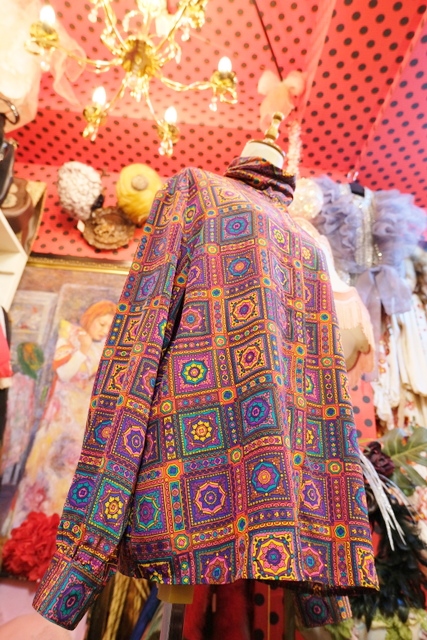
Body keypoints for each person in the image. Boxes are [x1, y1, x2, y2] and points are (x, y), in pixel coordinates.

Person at [7, 300, 115, 528]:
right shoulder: (71, 337)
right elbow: (65, 374)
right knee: (45, 468)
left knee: (69, 472)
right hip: (60, 417)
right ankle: (27, 527)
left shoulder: (105, 348)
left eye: (109, 327)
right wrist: (83, 349)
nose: (104, 330)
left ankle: (58, 529)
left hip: (81, 420)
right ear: (91, 318)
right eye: (101, 324)